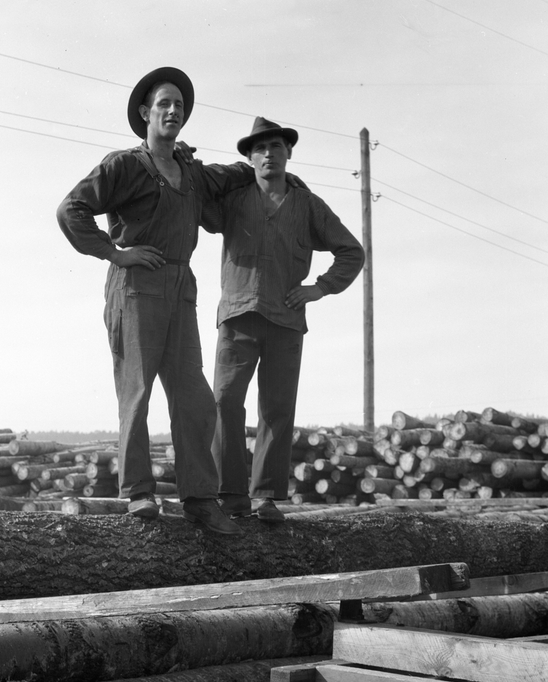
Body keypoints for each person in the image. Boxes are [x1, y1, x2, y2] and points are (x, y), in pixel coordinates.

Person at [57, 67, 254, 535]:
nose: (172, 111)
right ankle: (140, 494)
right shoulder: (124, 166)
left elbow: (231, 176)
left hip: (181, 290)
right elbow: (71, 209)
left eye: (179, 106)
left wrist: (274, 174)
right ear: (146, 113)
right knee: (138, 393)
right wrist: (115, 253)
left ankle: (200, 499)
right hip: (136, 286)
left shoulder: (190, 172)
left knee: (194, 396)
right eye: (164, 104)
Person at [203, 117, 365, 522]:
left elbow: (351, 251)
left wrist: (320, 287)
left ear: (289, 152)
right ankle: (229, 494)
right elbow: (199, 203)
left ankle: (266, 497)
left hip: (286, 321)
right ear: (249, 158)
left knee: (276, 409)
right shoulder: (234, 200)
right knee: (224, 402)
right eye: (259, 148)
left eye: (276, 146)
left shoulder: (308, 205)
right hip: (238, 317)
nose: (268, 153)